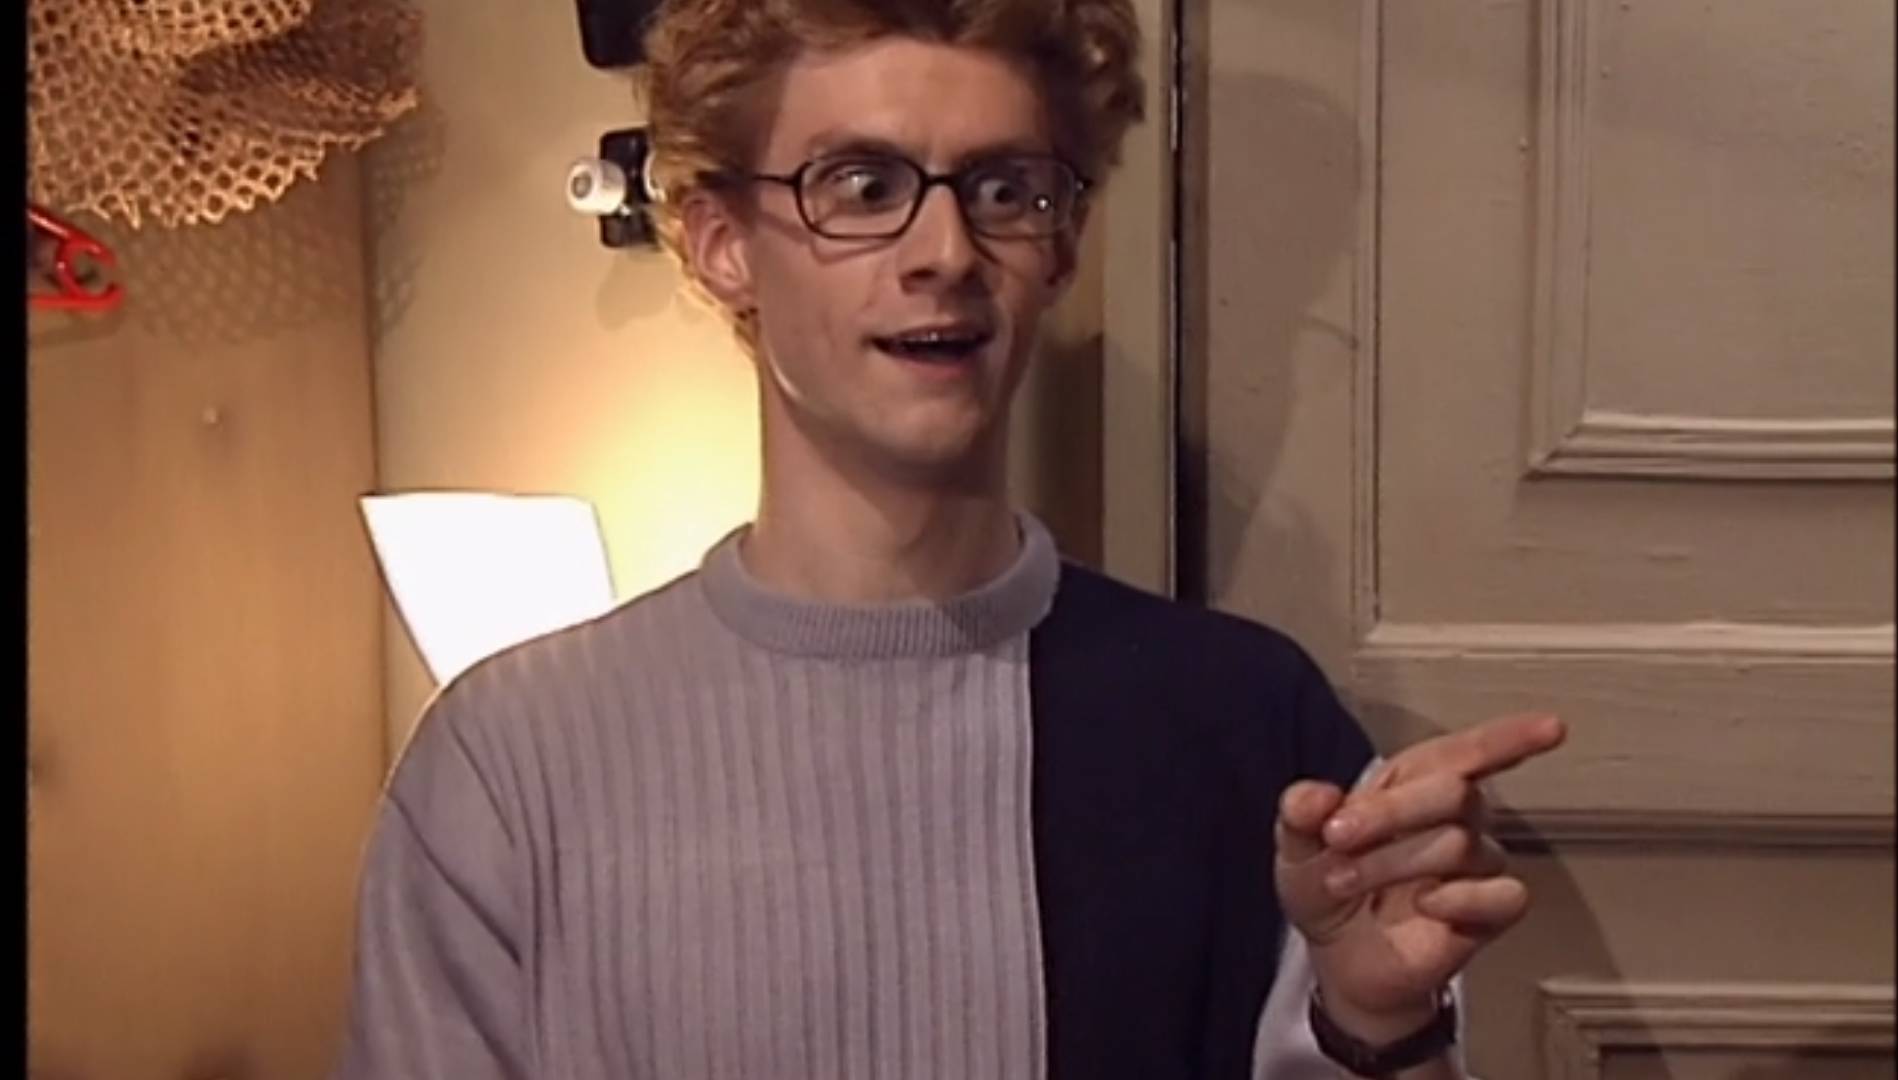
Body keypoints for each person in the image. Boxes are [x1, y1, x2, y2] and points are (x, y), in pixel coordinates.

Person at [333, 0, 1566, 1076]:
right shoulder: (510, 766)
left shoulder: (1249, 726)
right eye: (862, 188)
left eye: (1004, 191)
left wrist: (1377, 1027)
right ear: (722, 244)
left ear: (1060, 246)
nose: (946, 254)